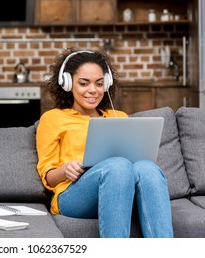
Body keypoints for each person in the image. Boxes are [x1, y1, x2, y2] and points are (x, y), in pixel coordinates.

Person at [36, 48, 173, 238]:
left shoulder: (118, 117)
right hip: (73, 195)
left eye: (99, 84)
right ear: (67, 84)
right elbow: (48, 177)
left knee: (148, 168)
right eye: (84, 83)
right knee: (117, 165)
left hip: (121, 191)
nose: (93, 90)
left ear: (107, 84)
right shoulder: (53, 119)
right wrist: (65, 169)